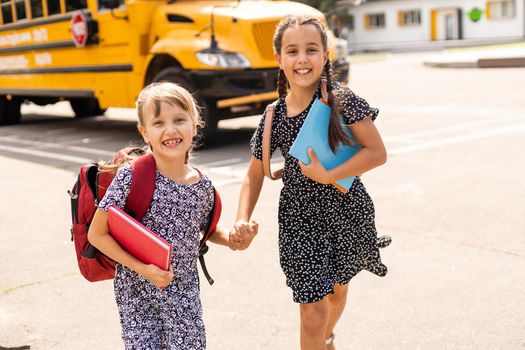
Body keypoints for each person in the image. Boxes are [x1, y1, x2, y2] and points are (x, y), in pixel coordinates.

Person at [232, 15, 391, 350]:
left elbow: (377, 152)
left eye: (310, 49)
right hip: (299, 219)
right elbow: (254, 173)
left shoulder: (342, 100)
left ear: (325, 54)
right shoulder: (273, 115)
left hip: (346, 212)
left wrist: (329, 175)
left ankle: (328, 338)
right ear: (279, 59)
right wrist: (241, 217)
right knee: (313, 310)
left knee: (337, 292)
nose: (302, 58)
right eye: (292, 51)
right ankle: (321, 336)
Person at [88, 82, 256, 349]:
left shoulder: (203, 186)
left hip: (183, 296)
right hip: (137, 296)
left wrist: (236, 240)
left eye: (179, 119)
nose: (170, 130)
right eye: (158, 123)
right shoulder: (131, 176)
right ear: (144, 133)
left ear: (195, 123)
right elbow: (97, 234)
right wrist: (144, 270)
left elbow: (207, 230)